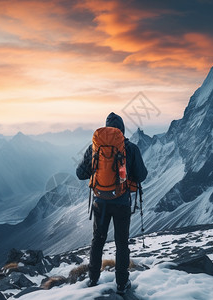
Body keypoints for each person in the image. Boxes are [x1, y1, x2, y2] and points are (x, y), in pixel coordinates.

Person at [76, 112, 148, 295]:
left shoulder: (94, 148)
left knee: (97, 241)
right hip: (122, 202)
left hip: (100, 201)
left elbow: (80, 173)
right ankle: (122, 284)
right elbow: (141, 176)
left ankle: (93, 279)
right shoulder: (130, 148)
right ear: (122, 130)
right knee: (121, 243)